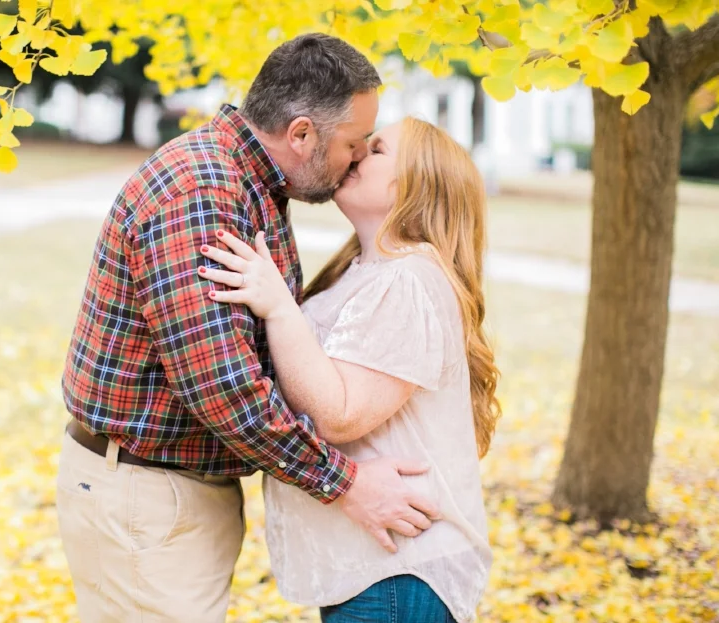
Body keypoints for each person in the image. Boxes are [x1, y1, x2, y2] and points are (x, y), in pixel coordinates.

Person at [56, 34, 441, 623]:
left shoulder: (250, 184)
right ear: (302, 134)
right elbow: (221, 386)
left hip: (169, 490)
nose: (358, 158)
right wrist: (346, 484)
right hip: (145, 493)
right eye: (353, 143)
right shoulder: (201, 192)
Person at [198, 117, 500, 623]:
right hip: (375, 562)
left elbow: (339, 414)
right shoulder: (365, 272)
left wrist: (278, 306)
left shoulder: (409, 279)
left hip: (399, 567)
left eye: (376, 149)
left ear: (413, 184)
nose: (356, 153)